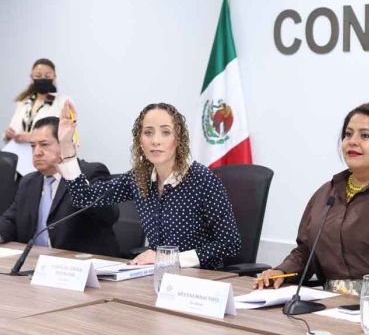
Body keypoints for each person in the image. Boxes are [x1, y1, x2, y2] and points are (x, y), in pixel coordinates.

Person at [255, 82, 369, 305]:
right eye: (348, 134)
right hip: (330, 302)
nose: (352, 141)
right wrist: (280, 272)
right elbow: (306, 251)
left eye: (365, 136)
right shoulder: (327, 193)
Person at [56, 102, 242, 269]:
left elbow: (230, 243)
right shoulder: (139, 178)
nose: (156, 140)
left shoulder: (202, 179)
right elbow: (84, 197)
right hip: (157, 277)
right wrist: (65, 145)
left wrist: (169, 259)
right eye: (148, 132)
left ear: (178, 139)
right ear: (140, 140)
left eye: (165, 132)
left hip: (201, 281)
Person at [0, 117, 120, 256]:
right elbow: (11, 220)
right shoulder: (29, 182)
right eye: (33, 146)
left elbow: (109, 215)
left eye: (44, 144)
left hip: (79, 266)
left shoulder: (90, 173)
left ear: (64, 144)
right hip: (35, 263)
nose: (37, 152)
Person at [5, 59, 69, 143]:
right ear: (31, 78)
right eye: (38, 76)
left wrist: (33, 137)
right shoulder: (23, 102)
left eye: (47, 76)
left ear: (54, 78)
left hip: (48, 154)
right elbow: (14, 128)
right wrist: (8, 134)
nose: (43, 79)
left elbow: (66, 134)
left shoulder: (63, 102)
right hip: (20, 152)